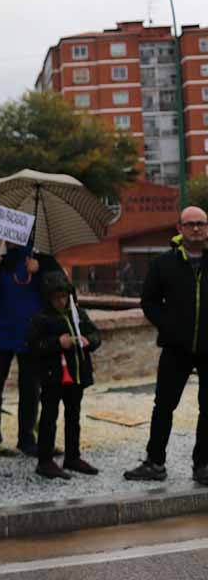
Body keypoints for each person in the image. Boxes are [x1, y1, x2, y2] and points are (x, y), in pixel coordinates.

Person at [126, 206, 208, 485]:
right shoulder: (164, 264)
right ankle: (155, 462)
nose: (196, 229)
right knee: (163, 406)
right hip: (176, 347)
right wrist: (169, 325)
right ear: (180, 228)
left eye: (200, 224)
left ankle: (203, 465)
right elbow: (148, 301)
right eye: (190, 224)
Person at [0, 243, 61, 457]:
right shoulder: (2, 261)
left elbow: (61, 292)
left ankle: (27, 438)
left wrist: (40, 272)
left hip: (31, 333)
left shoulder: (44, 260)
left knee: (30, 387)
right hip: (1, 331)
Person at [27, 272, 101, 479]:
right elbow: (33, 346)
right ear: (48, 298)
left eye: (64, 297)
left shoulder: (78, 313)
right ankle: (45, 460)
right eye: (56, 298)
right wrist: (57, 343)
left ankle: (72, 456)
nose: (61, 302)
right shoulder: (40, 319)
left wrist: (89, 340)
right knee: (49, 417)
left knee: (73, 416)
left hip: (76, 374)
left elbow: (96, 334)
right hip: (53, 376)